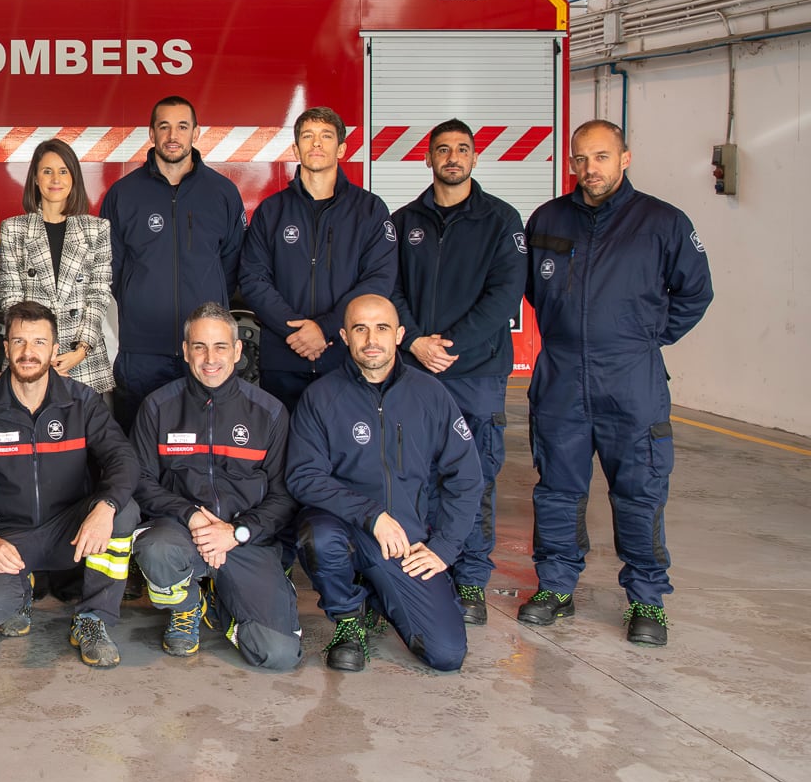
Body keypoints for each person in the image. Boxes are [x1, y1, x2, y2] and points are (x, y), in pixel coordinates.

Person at [518, 120, 713, 646]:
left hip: (631, 378)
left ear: (625, 158)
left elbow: (695, 293)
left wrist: (644, 339)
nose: (590, 169)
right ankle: (556, 588)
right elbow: (538, 292)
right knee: (558, 488)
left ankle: (647, 600)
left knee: (639, 490)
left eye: (601, 157)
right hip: (560, 375)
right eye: (581, 159)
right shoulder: (548, 219)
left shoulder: (663, 221)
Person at [287, 294, 482, 674]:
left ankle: (376, 595)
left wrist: (444, 547)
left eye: (382, 328)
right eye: (360, 328)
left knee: (446, 655)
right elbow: (303, 476)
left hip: (404, 541)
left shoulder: (431, 395)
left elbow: (468, 476)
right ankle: (348, 619)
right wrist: (371, 515)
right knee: (319, 537)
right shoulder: (320, 397)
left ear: (399, 335)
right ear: (344, 336)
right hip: (344, 527)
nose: (371, 339)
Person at [389, 120, 527, 626]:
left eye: (462, 149)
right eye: (442, 150)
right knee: (413, 477)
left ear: (474, 158)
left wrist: (447, 347)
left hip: (476, 374)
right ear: (427, 158)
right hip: (414, 371)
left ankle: (469, 579)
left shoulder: (502, 221)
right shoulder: (403, 222)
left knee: (474, 478)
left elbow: (503, 296)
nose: (452, 157)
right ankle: (419, 572)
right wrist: (416, 340)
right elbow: (390, 288)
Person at [0, 301, 139, 668]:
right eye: (19, 342)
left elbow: (123, 459)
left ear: (55, 350)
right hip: (8, 535)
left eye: (39, 343)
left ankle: (94, 619)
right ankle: (21, 589)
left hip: (70, 530)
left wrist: (105, 507)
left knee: (123, 510)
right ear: (5, 347)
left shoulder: (81, 402)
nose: (28, 353)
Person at [129, 303, 302, 671]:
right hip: (179, 533)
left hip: (244, 538)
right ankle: (186, 605)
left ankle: (222, 605)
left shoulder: (269, 412)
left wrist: (236, 533)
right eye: (200, 347)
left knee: (278, 654)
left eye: (221, 347)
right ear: (185, 349)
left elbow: (284, 495)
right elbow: (140, 480)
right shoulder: (158, 407)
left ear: (238, 351)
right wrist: (190, 515)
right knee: (156, 550)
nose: (210, 359)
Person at [237, 106, 396, 412]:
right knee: (284, 451)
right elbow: (253, 279)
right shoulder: (272, 211)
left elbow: (379, 279)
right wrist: (296, 331)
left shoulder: (370, 211)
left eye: (326, 136)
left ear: (342, 147)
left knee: (347, 451)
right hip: (283, 359)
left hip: (346, 356)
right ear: (296, 148)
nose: (317, 144)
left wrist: (324, 328)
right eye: (308, 136)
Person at [100, 95, 244, 421]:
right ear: (151, 134)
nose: (173, 136)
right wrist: (141, 302)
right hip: (142, 350)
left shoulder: (222, 194)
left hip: (203, 350)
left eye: (182, 126)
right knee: (138, 442)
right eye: (164, 127)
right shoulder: (124, 195)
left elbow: (231, 264)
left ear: (196, 132)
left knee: (201, 445)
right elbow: (111, 267)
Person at [0, 138, 113, 394]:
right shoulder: (14, 229)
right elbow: (11, 296)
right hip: (29, 357)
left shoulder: (97, 229)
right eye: (47, 171)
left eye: (63, 171)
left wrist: (80, 351)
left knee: (88, 432)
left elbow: (99, 294)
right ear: (36, 179)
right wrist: (40, 351)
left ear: (74, 178)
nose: (55, 179)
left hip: (83, 361)